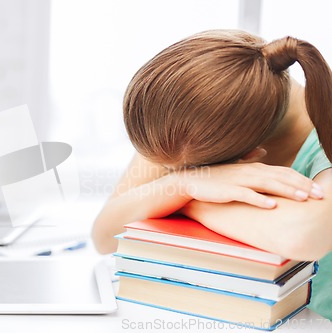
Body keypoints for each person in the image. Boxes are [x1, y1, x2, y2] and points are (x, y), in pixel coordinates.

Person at [91, 30, 332, 319]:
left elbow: (303, 237)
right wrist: (183, 184)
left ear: (250, 155)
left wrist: (184, 199)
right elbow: (105, 236)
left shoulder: (219, 124)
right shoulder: (188, 116)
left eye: (187, 170)